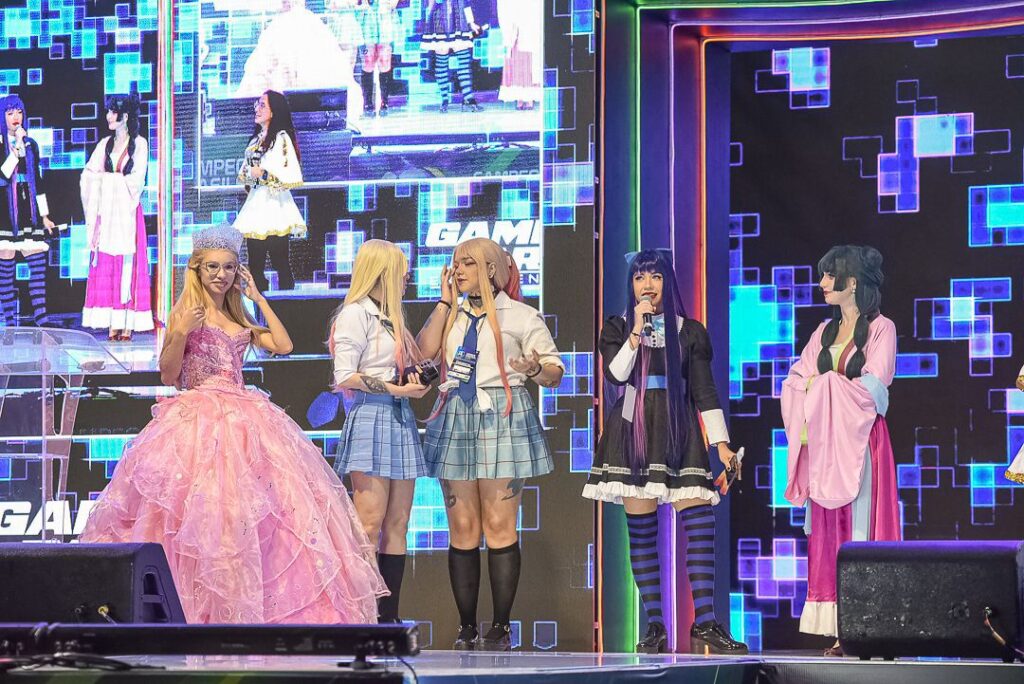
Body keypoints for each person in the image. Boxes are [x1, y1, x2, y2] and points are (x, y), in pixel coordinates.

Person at [79, 222, 386, 624]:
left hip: (245, 418)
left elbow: (284, 345)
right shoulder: (185, 314)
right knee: (200, 513)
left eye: (228, 267)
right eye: (212, 267)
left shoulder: (239, 317)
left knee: (261, 513)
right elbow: (169, 375)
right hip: (197, 421)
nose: (220, 275)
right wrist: (180, 333)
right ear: (197, 269)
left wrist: (257, 297)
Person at [582, 249, 748, 655]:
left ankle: (705, 622)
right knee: (641, 532)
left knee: (700, 521)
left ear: (667, 283)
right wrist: (635, 333)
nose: (647, 285)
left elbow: (704, 391)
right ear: (631, 285)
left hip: (678, 429)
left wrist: (721, 445)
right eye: (640, 277)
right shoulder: (617, 327)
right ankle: (655, 625)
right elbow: (616, 375)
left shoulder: (689, 332)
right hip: (633, 431)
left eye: (655, 277)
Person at [417, 238, 563, 651]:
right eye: (455, 263)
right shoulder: (452, 314)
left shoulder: (521, 315)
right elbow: (422, 352)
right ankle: (466, 627)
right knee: (462, 527)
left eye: (468, 263)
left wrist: (533, 369)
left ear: (492, 269)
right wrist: (444, 302)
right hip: (456, 413)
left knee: (499, 525)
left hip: (502, 412)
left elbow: (554, 373)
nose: (458, 270)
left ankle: (500, 627)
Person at [782, 244, 900, 655]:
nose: (822, 283)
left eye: (830, 276)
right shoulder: (822, 332)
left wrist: (825, 385)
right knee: (830, 532)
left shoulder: (882, 328)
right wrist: (820, 387)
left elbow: (875, 387)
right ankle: (841, 627)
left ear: (852, 282)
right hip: (825, 447)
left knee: (861, 529)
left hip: (862, 441)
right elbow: (795, 381)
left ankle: (870, 624)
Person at [331, 239, 429, 622]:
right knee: (368, 525)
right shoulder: (356, 313)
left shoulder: (390, 317)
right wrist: (396, 389)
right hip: (372, 415)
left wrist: (410, 383)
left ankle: (389, 617)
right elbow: (345, 376)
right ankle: (363, 616)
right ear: (383, 272)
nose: (406, 279)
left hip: (399, 417)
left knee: (398, 523)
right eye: (401, 272)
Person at [80, 93, 154, 339]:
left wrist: (109, 181)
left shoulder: (140, 144)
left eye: (113, 112)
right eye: (108, 111)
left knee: (127, 264)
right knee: (107, 264)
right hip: (107, 213)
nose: (109, 116)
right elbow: (89, 174)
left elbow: (136, 180)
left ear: (126, 115)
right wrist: (103, 181)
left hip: (127, 212)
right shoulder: (105, 144)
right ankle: (112, 320)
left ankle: (128, 321)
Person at [233, 90, 305, 293]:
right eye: (257, 104)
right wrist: (250, 174)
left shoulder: (281, 139)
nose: (257, 108)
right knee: (255, 265)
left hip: (274, 207)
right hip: (256, 206)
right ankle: (260, 304)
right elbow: (245, 173)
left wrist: (263, 173)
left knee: (280, 261)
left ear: (274, 111)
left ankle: (285, 305)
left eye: (262, 105)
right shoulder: (255, 140)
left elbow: (287, 173)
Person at [0, 95, 56, 326]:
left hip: (28, 210)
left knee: (37, 265)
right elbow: (3, 176)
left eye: (19, 112)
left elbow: (38, 182)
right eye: (10, 113)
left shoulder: (31, 144)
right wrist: (16, 148)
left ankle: (42, 319)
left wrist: (45, 216)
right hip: (5, 211)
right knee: (6, 271)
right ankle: (9, 324)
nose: (16, 117)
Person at [423, 0, 483, 113]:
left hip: (459, 21)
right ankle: (445, 99)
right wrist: (429, 22)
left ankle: (468, 98)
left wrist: (471, 22)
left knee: (463, 60)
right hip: (440, 20)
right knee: (442, 61)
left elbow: (465, 3)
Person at [356, 0, 400, 116]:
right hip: (367, 16)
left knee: (384, 60)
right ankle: (367, 102)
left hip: (385, 16)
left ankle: (384, 101)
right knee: (368, 60)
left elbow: (393, 4)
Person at [496, 0, 541, 110]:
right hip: (513, 30)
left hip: (529, 28)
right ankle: (519, 98)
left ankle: (529, 98)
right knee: (516, 64)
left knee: (528, 63)